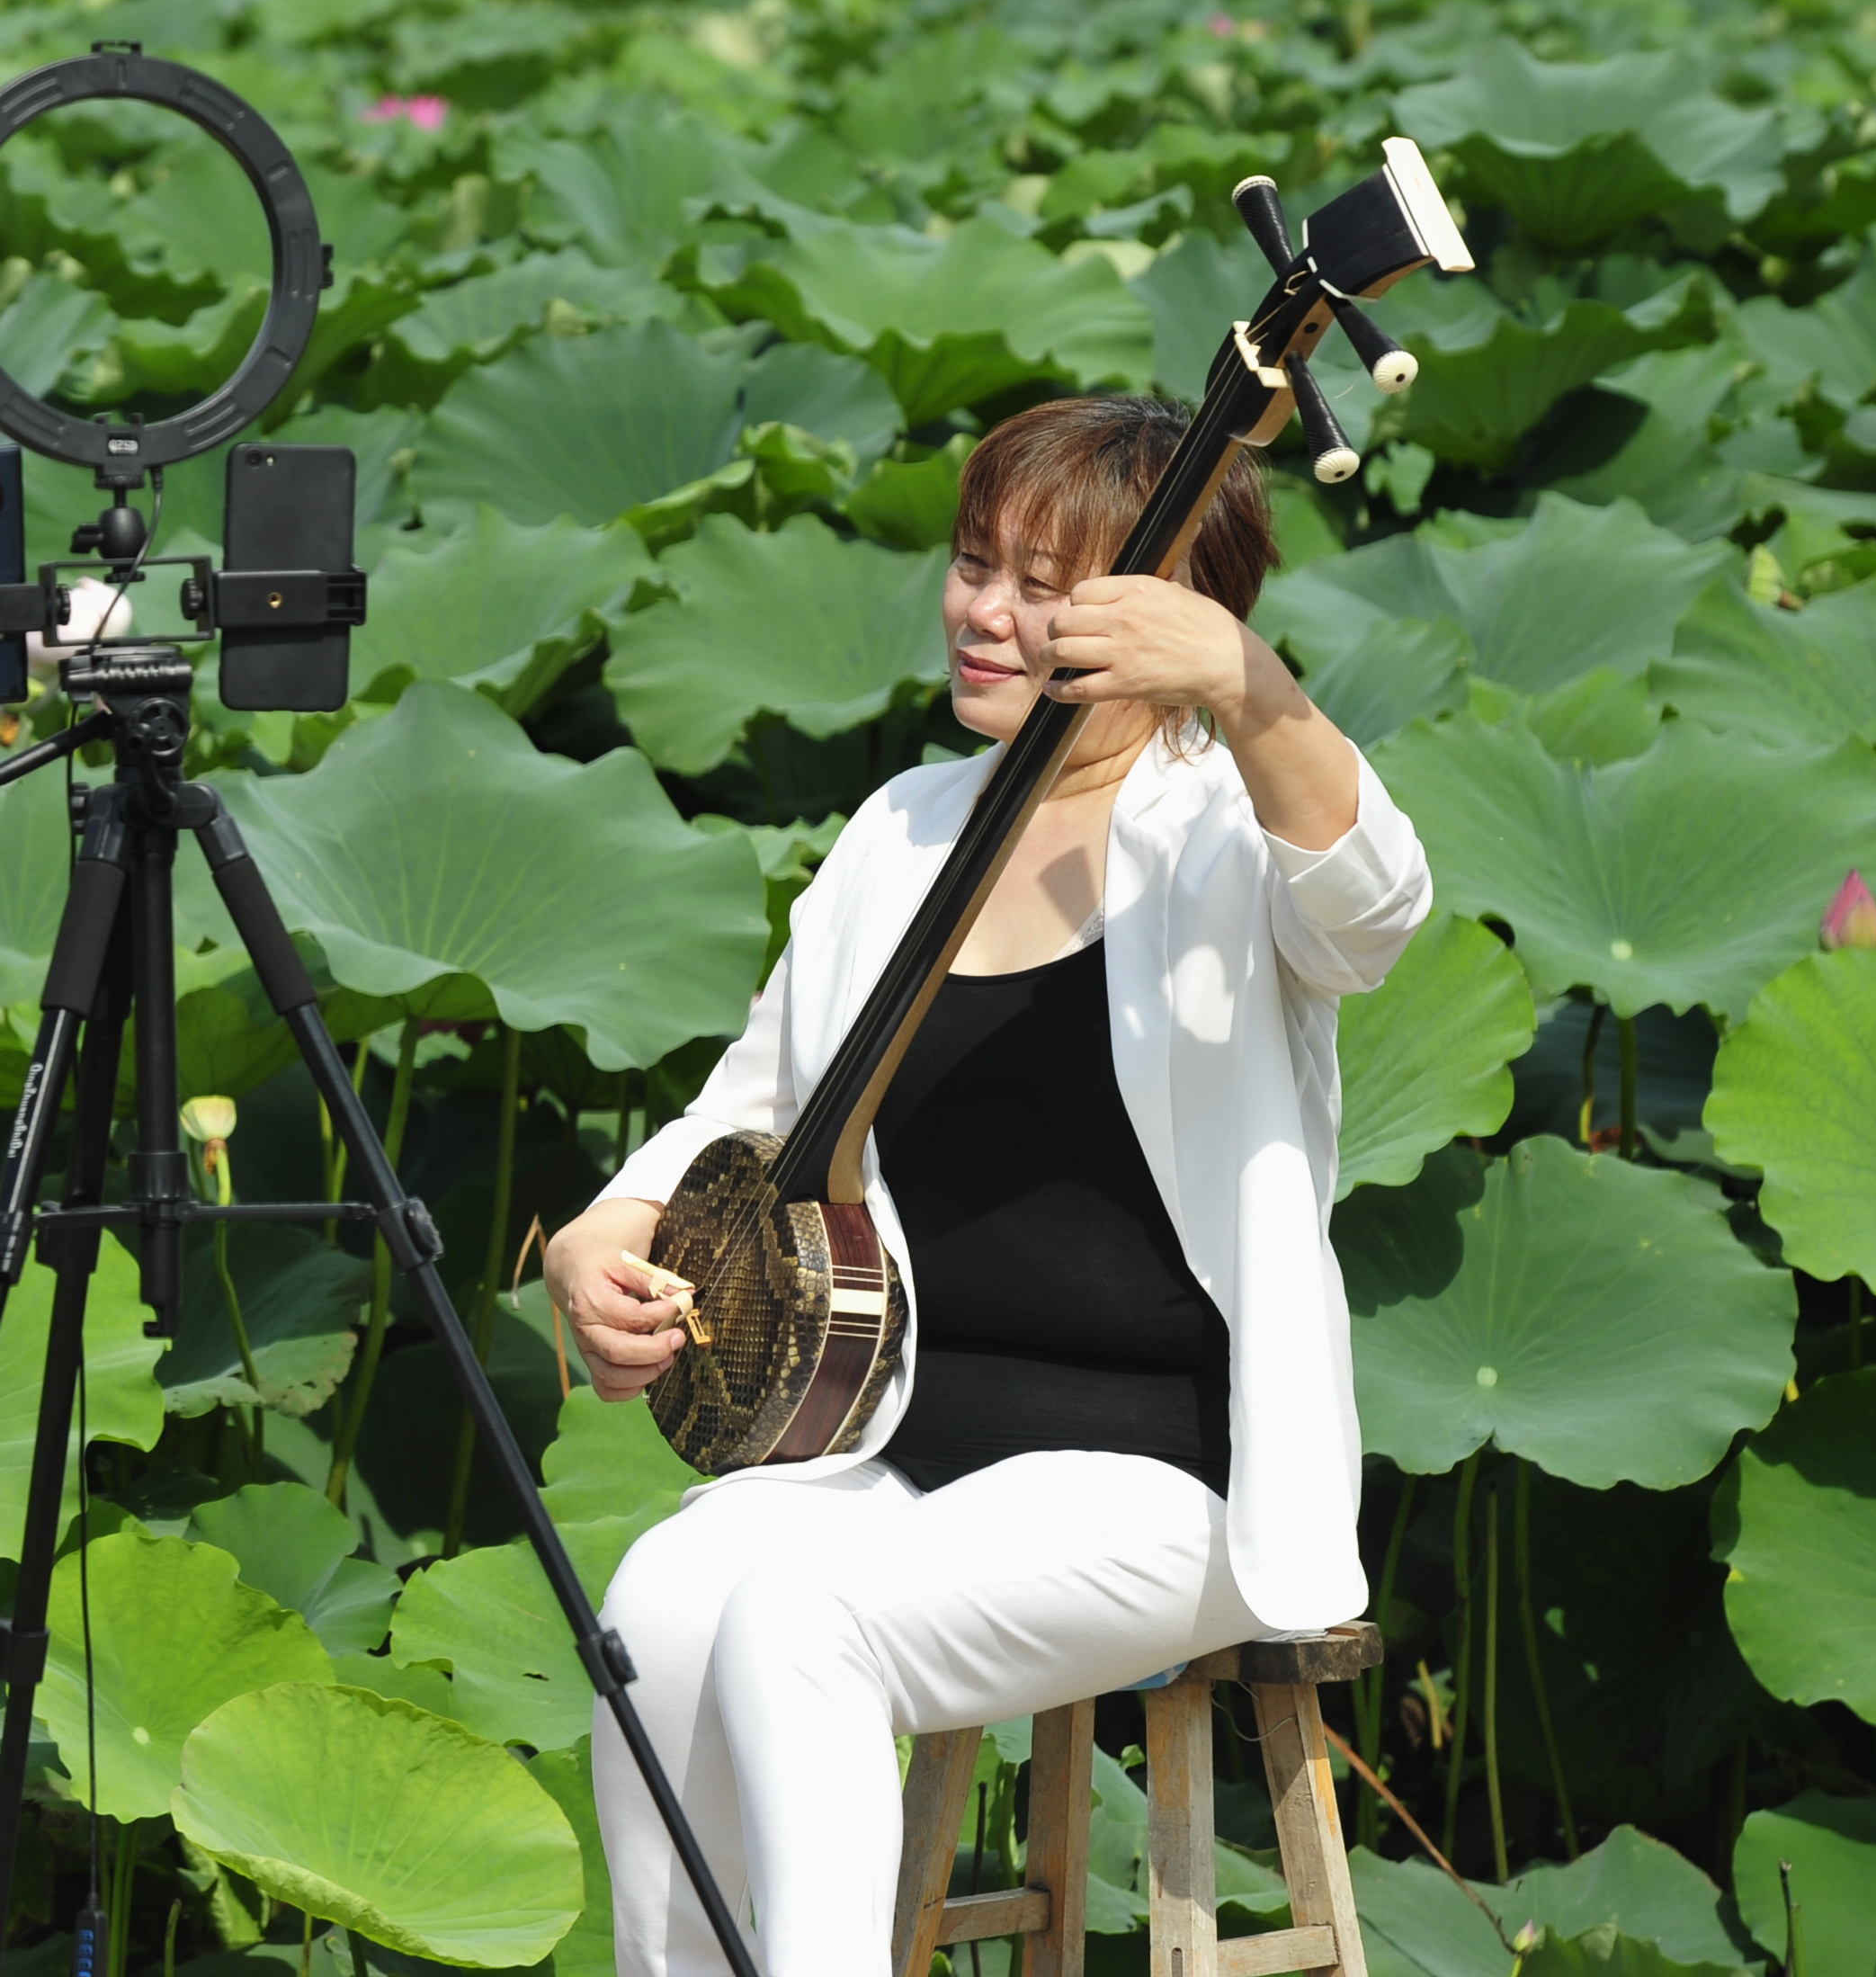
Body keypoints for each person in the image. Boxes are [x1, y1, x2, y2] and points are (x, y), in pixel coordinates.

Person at [540, 395, 1432, 1977]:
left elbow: (1374, 910)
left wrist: (1249, 686)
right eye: (972, 566)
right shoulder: (902, 833)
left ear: (1159, 616)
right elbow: (748, 1108)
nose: (986, 613)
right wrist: (609, 1231)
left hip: (1175, 1477)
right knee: (665, 1595)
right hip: (911, 1445)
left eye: (1042, 585)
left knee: (801, 1620)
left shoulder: (1227, 829)